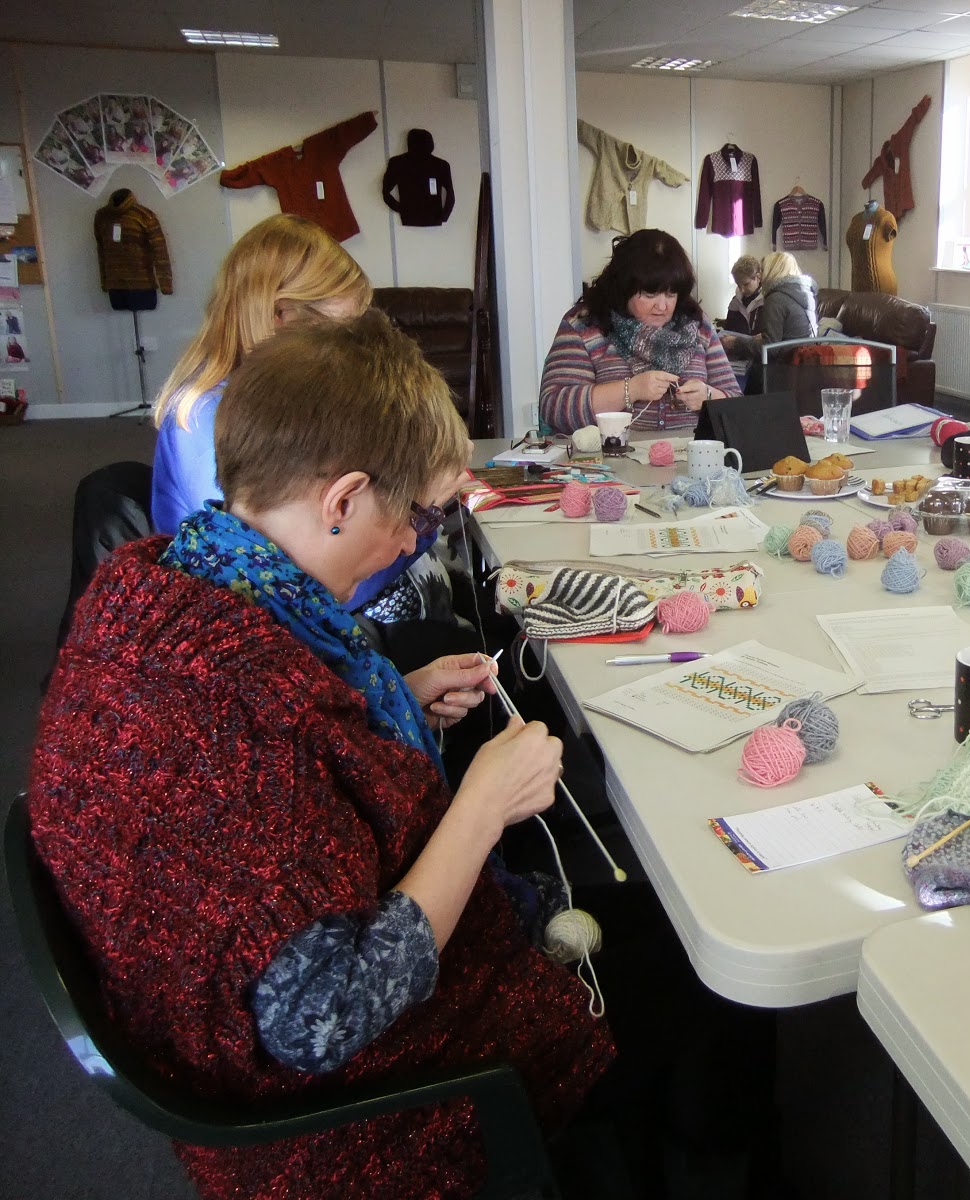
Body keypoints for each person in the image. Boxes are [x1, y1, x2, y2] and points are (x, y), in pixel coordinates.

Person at [30, 312, 614, 1199]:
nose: (414, 541)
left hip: (261, 1042)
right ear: (341, 501)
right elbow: (324, 1015)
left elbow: (283, 796)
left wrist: (391, 699)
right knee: (674, 989)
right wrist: (480, 808)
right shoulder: (228, 710)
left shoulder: (169, 593)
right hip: (340, 1120)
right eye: (413, 515)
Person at [149, 215, 421, 614]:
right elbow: (295, 602)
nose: (351, 349)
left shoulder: (277, 404)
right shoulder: (208, 417)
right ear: (282, 317)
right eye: (339, 333)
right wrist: (421, 514)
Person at [539, 229, 741, 435]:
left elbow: (738, 405)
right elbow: (553, 407)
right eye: (649, 294)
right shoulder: (585, 325)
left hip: (692, 454)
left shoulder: (697, 324)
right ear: (624, 288)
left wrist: (709, 396)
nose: (662, 306)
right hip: (610, 455)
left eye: (671, 294)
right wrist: (631, 390)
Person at [722, 254, 763, 334]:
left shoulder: (768, 301)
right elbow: (728, 331)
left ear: (758, 277)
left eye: (746, 284)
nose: (742, 290)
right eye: (738, 285)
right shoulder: (735, 303)